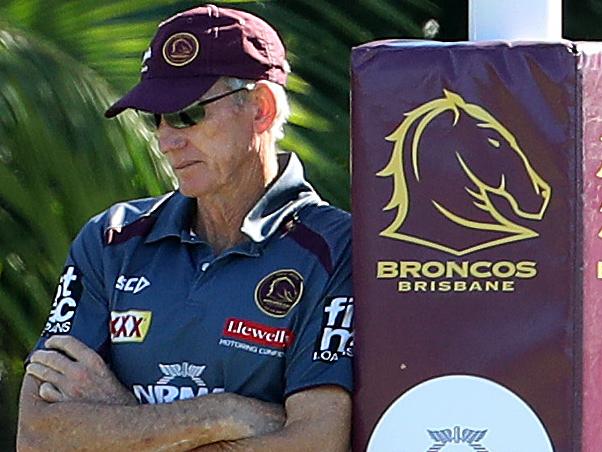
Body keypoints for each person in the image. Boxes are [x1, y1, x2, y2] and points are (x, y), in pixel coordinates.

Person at [16, 4, 353, 451]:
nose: (166, 139)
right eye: (154, 117)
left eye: (187, 114)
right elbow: (37, 435)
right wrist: (224, 414)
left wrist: (119, 419)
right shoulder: (110, 239)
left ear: (261, 109)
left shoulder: (339, 247)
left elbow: (317, 442)